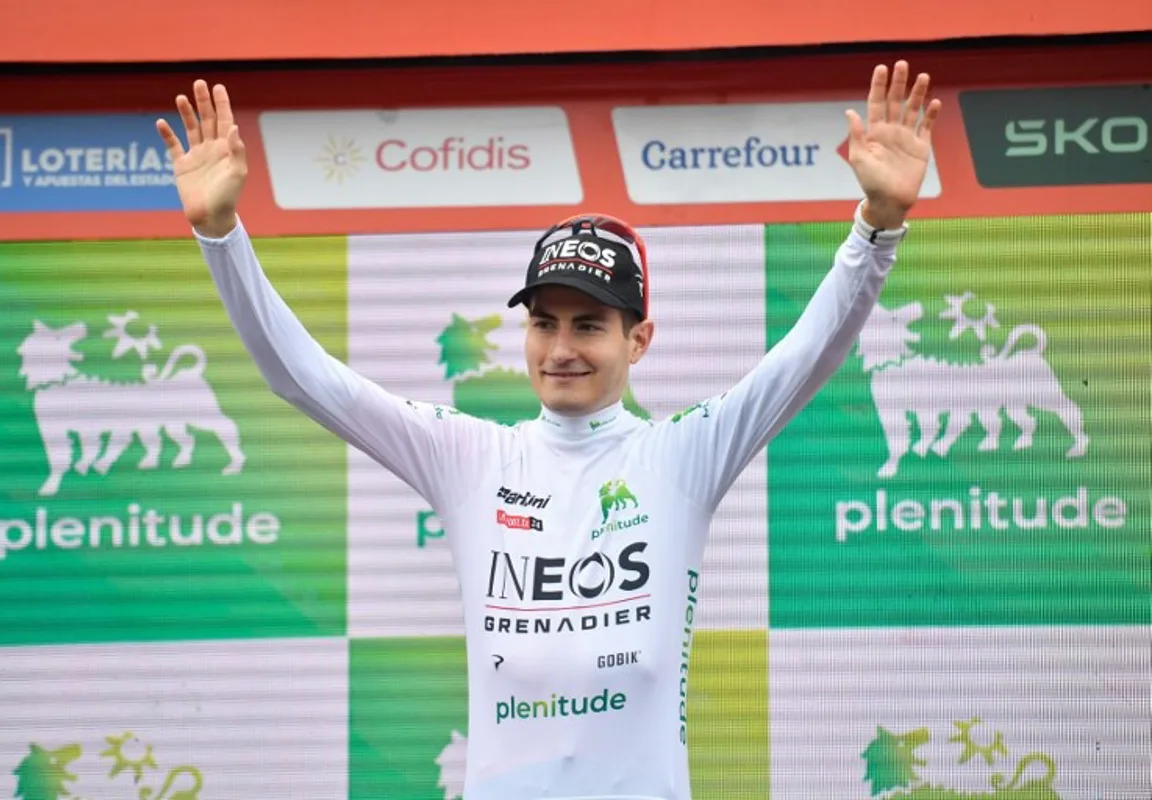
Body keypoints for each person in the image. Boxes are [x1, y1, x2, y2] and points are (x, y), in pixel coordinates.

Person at [157, 60, 941, 800]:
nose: (561, 349)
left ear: (638, 340)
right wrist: (222, 234)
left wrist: (877, 226)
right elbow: (299, 374)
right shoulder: (469, 456)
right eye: (543, 323)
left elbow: (805, 357)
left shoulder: (681, 454)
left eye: (589, 326)